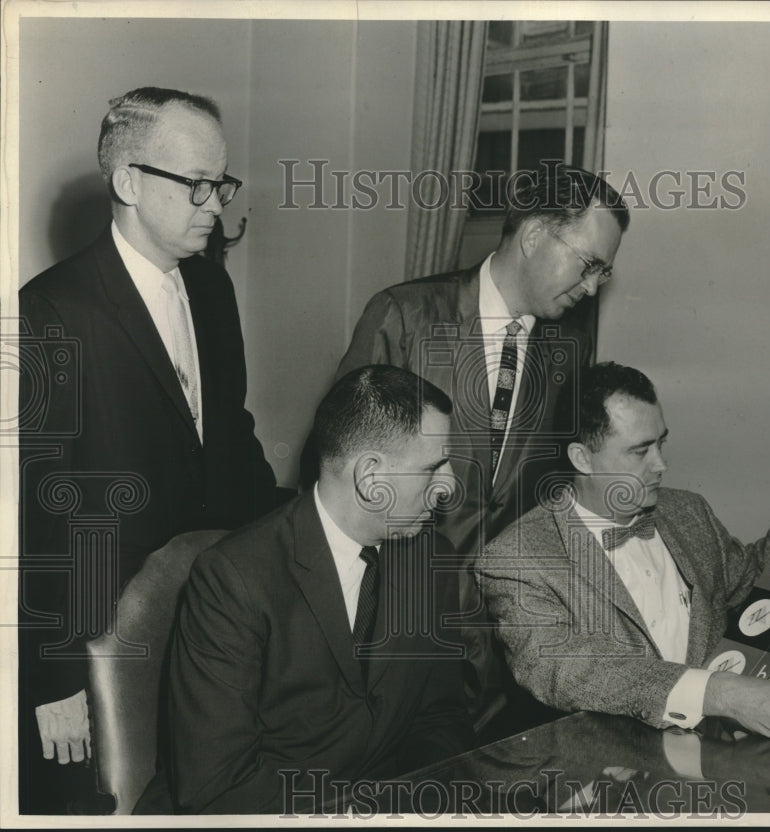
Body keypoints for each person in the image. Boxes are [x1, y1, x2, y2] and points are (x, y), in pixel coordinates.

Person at [18, 87, 277, 813]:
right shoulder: (49, 312)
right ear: (128, 182)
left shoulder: (212, 289)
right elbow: (40, 518)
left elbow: (230, 439)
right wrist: (54, 681)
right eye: (196, 184)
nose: (215, 205)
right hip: (99, 632)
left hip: (208, 617)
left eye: (220, 183)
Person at [331, 164, 630, 718]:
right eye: (589, 265)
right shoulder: (405, 316)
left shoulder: (571, 343)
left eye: (603, 274)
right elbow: (340, 476)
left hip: (509, 637)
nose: (592, 287)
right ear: (536, 234)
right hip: (404, 618)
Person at [161, 366, 471, 814]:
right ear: (371, 479)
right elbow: (218, 789)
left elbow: (441, 718)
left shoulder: (430, 558)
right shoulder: (233, 580)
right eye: (433, 467)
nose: (449, 485)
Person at [477, 362, 770, 739]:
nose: (661, 464)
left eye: (661, 442)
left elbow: (757, 580)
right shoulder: (518, 557)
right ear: (582, 458)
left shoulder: (689, 512)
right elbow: (565, 668)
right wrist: (720, 693)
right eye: (639, 451)